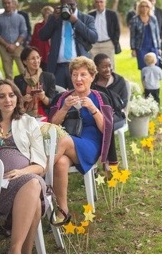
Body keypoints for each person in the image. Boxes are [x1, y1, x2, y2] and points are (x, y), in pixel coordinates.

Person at [48, 57, 114, 225]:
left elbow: (106, 130)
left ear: (92, 77)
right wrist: (64, 108)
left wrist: (92, 108)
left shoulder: (100, 98)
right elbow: (52, 126)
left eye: (83, 74)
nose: (78, 79)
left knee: (62, 141)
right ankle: (63, 211)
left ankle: (40, 173)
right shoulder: (63, 98)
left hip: (90, 143)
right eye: (75, 74)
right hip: (68, 142)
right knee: (61, 162)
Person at [0, 79, 49, 254]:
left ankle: (15, 249)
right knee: (33, 198)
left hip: (24, 178)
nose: (7, 100)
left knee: (33, 183)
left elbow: (41, 164)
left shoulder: (28, 122)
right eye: (1, 96)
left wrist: (21, 172)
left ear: (17, 97)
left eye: (11, 95)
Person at [38, 0, 97, 90]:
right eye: (65, 5)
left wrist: (76, 22)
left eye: (71, 5)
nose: (69, 7)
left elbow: (93, 37)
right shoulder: (55, 18)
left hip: (79, 67)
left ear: (76, 3)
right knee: (58, 97)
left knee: (80, 97)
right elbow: (42, 36)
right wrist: (53, 19)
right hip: (58, 67)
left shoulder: (86, 18)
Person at [91, 53, 130, 167]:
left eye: (109, 65)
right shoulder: (93, 84)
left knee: (107, 123)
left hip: (117, 116)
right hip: (98, 116)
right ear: (97, 68)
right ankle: (95, 160)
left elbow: (123, 102)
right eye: (104, 67)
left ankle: (109, 163)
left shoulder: (119, 81)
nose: (108, 69)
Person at [13, 45, 56, 119]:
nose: (36, 61)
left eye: (38, 57)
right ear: (25, 62)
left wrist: (43, 97)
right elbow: (13, 101)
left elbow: (54, 103)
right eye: (33, 58)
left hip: (43, 113)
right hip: (24, 113)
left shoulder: (49, 77)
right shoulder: (18, 80)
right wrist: (23, 99)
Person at [0, 0, 29, 78]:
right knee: (8, 73)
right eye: (5, 3)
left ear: (12, 4)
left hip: (18, 47)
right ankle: (10, 90)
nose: (7, 5)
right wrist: (7, 45)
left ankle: (26, 89)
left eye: (9, 3)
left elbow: (23, 32)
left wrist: (15, 44)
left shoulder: (20, 18)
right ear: (3, 4)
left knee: (23, 71)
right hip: (4, 48)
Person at [88, 0, 121, 67]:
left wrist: (114, 42)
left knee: (109, 67)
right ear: (95, 3)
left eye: (101, 2)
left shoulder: (112, 14)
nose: (99, 4)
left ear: (105, 3)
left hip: (108, 44)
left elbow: (117, 29)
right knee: (93, 67)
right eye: (97, 2)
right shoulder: (90, 15)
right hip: (94, 45)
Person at [129, 0, 162, 72]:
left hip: (153, 46)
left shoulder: (153, 19)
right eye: (142, 6)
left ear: (149, 8)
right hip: (141, 47)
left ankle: (154, 83)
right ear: (139, 8)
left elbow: (157, 34)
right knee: (144, 68)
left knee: (155, 67)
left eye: (146, 6)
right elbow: (132, 36)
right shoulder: (134, 19)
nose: (144, 8)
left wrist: (159, 48)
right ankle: (145, 83)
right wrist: (133, 49)